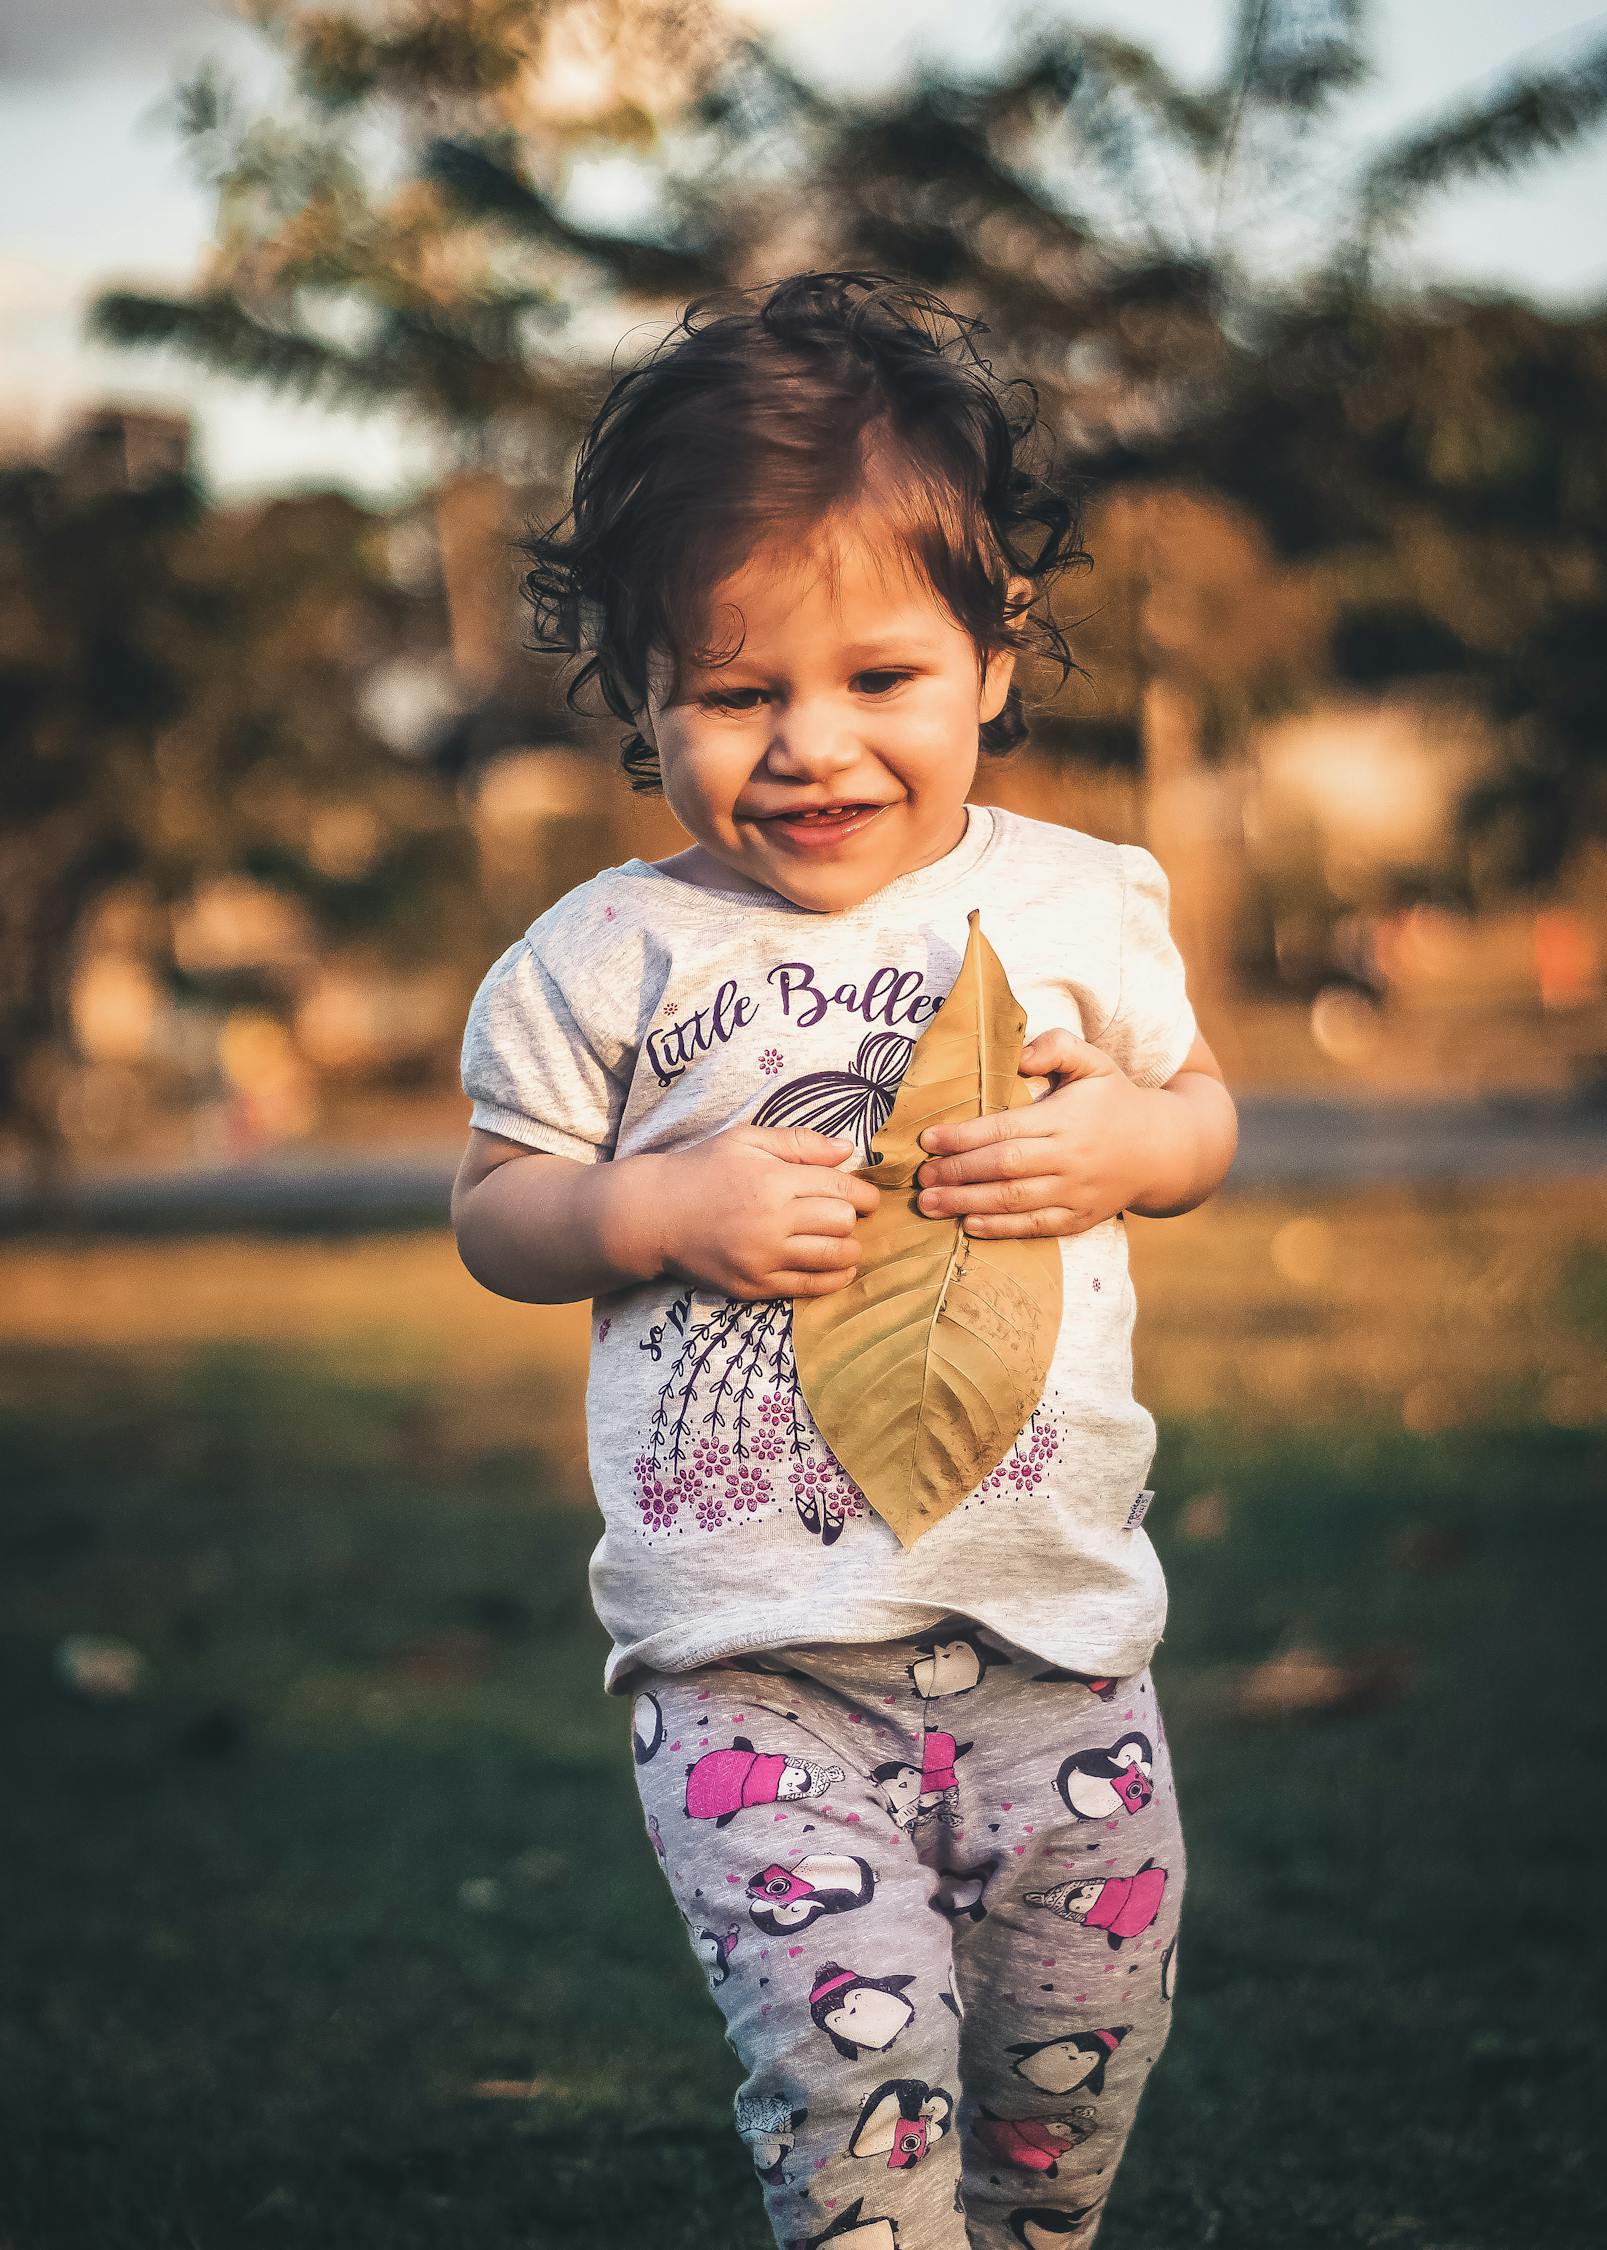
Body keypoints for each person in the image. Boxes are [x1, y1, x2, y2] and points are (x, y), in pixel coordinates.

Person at [452, 271, 1238, 2250]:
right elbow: (498, 1208)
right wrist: (654, 1211)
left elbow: (1201, 1120)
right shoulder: (604, 953)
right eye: (736, 695)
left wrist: (1128, 1144)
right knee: (850, 2086)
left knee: (1071, 2076)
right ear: (642, 693)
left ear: (994, 652)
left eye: (879, 677)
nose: (812, 746)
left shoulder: (1080, 901)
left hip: (1062, 1643)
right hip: (754, 1664)